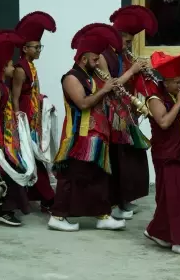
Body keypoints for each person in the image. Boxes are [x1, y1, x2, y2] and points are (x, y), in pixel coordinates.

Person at [47, 27, 125, 232]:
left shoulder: (90, 77)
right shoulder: (71, 77)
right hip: (77, 137)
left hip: (95, 136)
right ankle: (57, 216)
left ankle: (102, 215)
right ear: (83, 58)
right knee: (71, 177)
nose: (99, 61)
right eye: (95, 57)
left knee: (97, 177)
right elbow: (82, 103)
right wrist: (105, 89)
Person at [143, 49, 180, 256]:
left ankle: (158, 232)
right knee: (172, 197)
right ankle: (179, 241)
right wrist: (179, 103)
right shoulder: (154, 98)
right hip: (166, 153)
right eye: (177, 82)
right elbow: (164, 122)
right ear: (166, 81)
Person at [105, 5, 158, 219]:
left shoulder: (124, 55)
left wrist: (143, 71)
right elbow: (112, 85)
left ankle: (126, 200)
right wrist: (133, 70)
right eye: (126, 41)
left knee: (131, 161)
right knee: (118, 160)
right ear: (117, 36)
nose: (128, 46)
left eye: (130, 42)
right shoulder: (103, 55)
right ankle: (115, 203)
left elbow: (132, 80)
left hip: (128, 114)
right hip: (113, 114)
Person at [0, 30, 30, 226]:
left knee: (0, 171)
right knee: (3, 170)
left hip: (5, 134)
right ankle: (3, 210)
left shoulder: (3, 86)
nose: (13, 68)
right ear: (3, 67)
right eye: (10, 65)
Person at [13, 11, 57, 213]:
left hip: (33, 119)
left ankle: (39, 197)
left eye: (40, 46)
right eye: (36, 47)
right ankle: (48, 198)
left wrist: (42, 101)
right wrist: (17, 122)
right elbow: (15, 97)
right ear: (25, 48)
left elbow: (31, 92)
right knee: (34, 158)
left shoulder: (31, 66)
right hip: (23, 120)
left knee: (35, 157)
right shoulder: (21, 69)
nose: (39, 50)